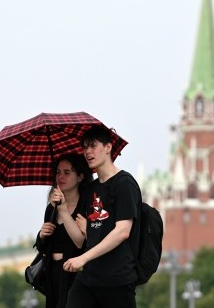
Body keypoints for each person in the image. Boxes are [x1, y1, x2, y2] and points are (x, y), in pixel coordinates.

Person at [64, 126, 141, 308]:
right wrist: (61, 210)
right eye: (85, 148)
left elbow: (122, 231)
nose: (88, 152)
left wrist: (83, 258)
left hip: (117, 279)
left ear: (108, 147)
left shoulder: (124, 184)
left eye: (93, 146)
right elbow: (79, 241)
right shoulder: (92, 189)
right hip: (89, 278)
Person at [34, 153, 93, 308]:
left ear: (80, 177)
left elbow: (80, 243)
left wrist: (64, 211)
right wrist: (41, 235)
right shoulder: (51, 209)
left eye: (67, 173)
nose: (61, 177)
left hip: (74, 274)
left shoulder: (86, 207)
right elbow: (42, 248)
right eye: (58, 172)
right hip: (52, 274)